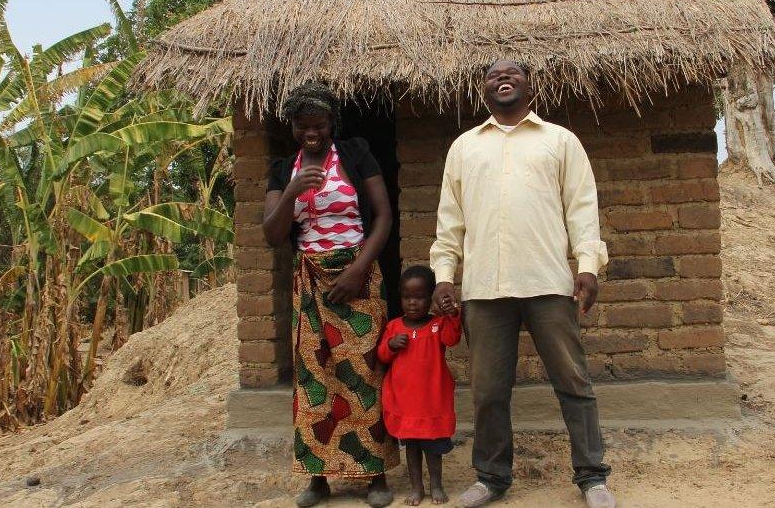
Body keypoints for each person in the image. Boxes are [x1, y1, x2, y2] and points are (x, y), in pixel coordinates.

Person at [430, 60, 617, 508]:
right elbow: (449, 222)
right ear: (483, 89)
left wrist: (587, 265)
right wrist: (444, 276)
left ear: (530, 86)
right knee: (489, 391)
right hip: (485, 290)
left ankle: (592, 477)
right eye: (494, 75)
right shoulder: (464, 147)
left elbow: (582, 208)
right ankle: (492, 477)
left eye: (512, 73)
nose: (503, 79)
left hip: (548, 282)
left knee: (573, 382)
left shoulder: (560, 141)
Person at [263, 82, 398, 508]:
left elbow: (384, 216)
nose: (312, 134)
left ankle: (373, 473)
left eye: (319, 125)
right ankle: (317, 477)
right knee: (313, 375)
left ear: (331, 124)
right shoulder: (284, 169)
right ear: (293, 128)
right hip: (310, 281)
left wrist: (359, 269)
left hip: (358, 276)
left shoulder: (356, 153)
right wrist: (291, 191)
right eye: (303, 127)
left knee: (362, 371)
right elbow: (271, 233)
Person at [377, 266, 461, 506]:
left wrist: (452, 315)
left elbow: (452, 339)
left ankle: (436, 485)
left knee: (433, 449)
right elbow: (382, 355)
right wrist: (392, 345)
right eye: (407, 297)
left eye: (419, 297)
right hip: (406, 404)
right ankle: (417, 488)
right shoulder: (394, 327)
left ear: (431, 297)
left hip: (432, 402)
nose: (412, 303)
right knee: (412, 448)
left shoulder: (437, 325)